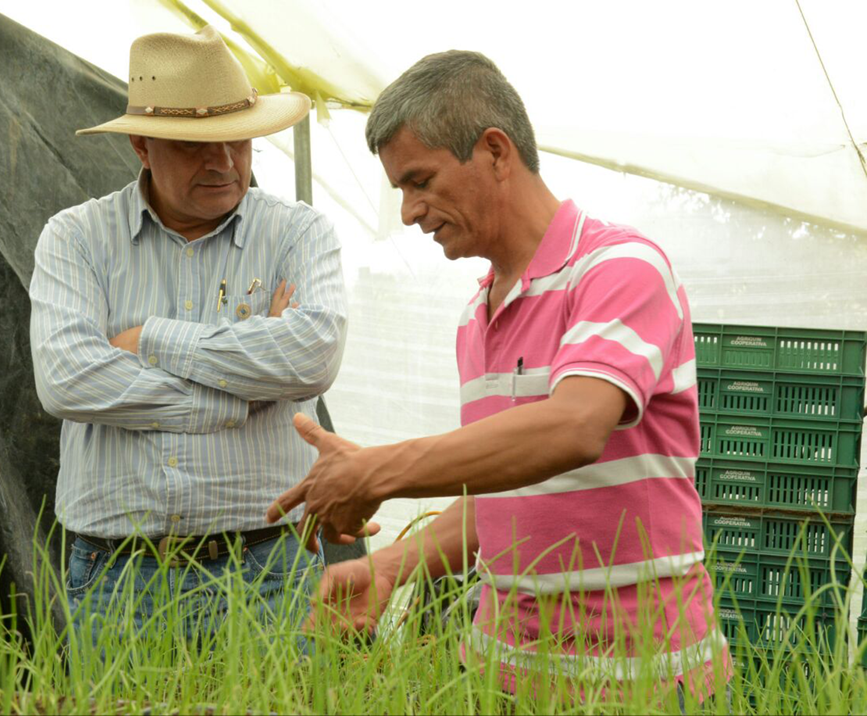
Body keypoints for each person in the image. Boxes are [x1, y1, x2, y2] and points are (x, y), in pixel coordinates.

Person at [267, 50, 729, 700]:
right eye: (400, 187)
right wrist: (392, 567)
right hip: (497, 674)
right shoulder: (475, 317)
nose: (408, 211)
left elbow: (574, 427)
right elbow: (504, 498)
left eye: (420, 180)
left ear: (494, 151)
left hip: (639, 681)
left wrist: (379, 469)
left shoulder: (619, 270)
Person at [28, 28, 363, 644]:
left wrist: (150, 338)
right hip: (117, 573)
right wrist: (244, 384)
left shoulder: (298, 234)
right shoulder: (75, 238)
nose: (224, 162)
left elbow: (312, 355)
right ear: (141, 145)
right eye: (194, 146)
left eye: (239, 141)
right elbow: (67, 379)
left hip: (267, 565)